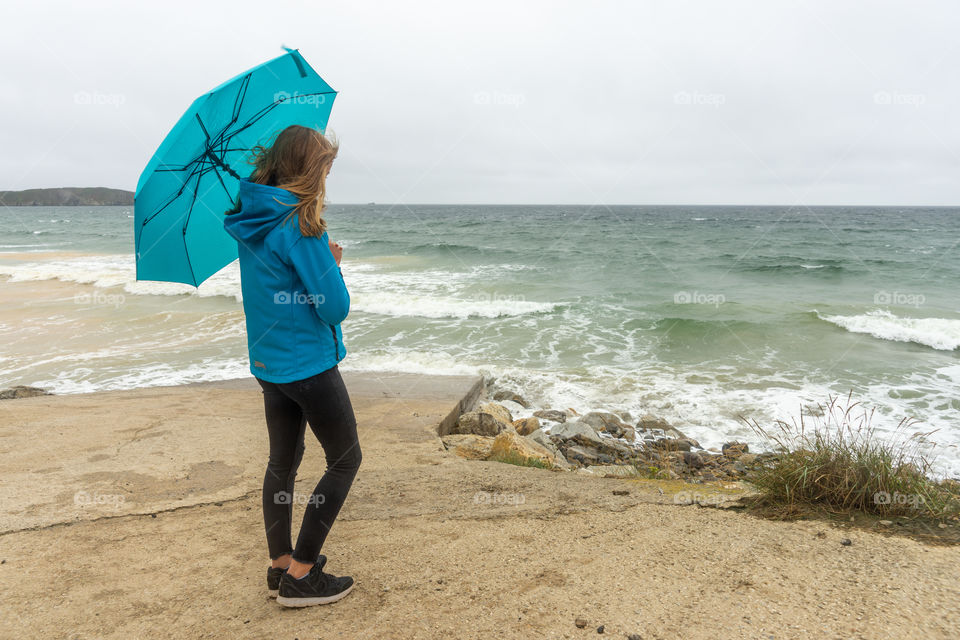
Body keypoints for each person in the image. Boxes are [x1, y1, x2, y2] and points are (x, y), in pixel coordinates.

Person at [223, 124, 361, 608]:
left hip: (268, 362)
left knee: (282, 462)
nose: (327, 176)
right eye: (325, 166)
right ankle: (303, 576)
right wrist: (332, 262)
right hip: (308, 364)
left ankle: (281, 563)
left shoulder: (251, 221)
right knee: (345, 459)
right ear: (308, 169)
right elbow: (334, 307)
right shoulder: (302, 226)